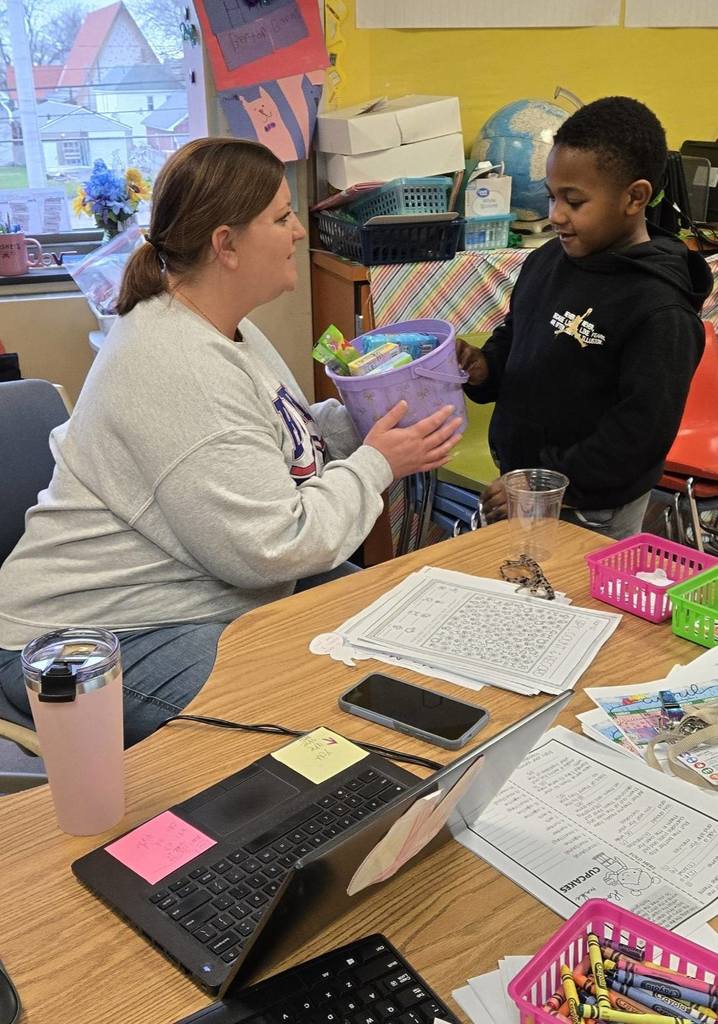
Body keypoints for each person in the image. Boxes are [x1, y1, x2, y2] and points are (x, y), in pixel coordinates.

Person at [0, 137, 462, 746]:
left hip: (195, 596)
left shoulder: (221, 330)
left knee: (391, 623)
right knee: (305, 715)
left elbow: (272, 439)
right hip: (84, 639)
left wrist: (369, 422)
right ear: (226, 244)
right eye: (281, 217)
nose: (299, 231)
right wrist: (377, 462)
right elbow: (276, 544)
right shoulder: (176, 363)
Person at [457, 95, 712, 540]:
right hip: (526, 488)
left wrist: (544, 484)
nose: (556, 215)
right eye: (553, 196)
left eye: (574, 202)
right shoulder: (547, 261)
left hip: (592, 509)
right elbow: (517, 338)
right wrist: (484, 367)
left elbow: (637, 437)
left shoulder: (660, 311)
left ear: (634, 198)